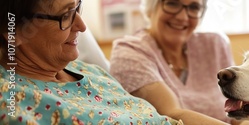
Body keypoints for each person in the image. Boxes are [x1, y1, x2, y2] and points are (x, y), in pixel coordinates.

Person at [0, 0, 181, 124]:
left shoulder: (92, 72)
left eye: (77, 7)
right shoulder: (12, 103)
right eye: (65, 15)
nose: (82, 26)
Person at [109, 0, 249, 124]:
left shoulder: (215, 44)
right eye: (172, 3)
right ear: (151, 8)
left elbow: (236, 115)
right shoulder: (129, 52)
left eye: (193, 7)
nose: (182, 16)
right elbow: (171, 115)